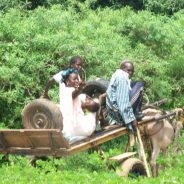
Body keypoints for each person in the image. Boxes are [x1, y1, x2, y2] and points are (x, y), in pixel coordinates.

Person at [60, 68, 100, 143]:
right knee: (96, 103)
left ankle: (97, 126)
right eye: (74, 79)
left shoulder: (64, 91)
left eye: (77, 79)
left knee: (93, 105)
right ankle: (97, 128)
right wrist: (80, 88)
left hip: (70, 129)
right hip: (75, 129)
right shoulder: (69, 91)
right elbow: (74, 94)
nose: (76, 81)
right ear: (67, 81)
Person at [106, 60, 144, 132]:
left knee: (135, 83)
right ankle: (136, 113)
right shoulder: (122, 78)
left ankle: (135, 112)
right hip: (117, 114)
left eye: (132, 71)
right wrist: (132, 119)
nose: (130, 73)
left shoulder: (117, 74)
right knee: (140, 85)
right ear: (122, 68)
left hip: (113, 110)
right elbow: (123, 104)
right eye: (128, 70)